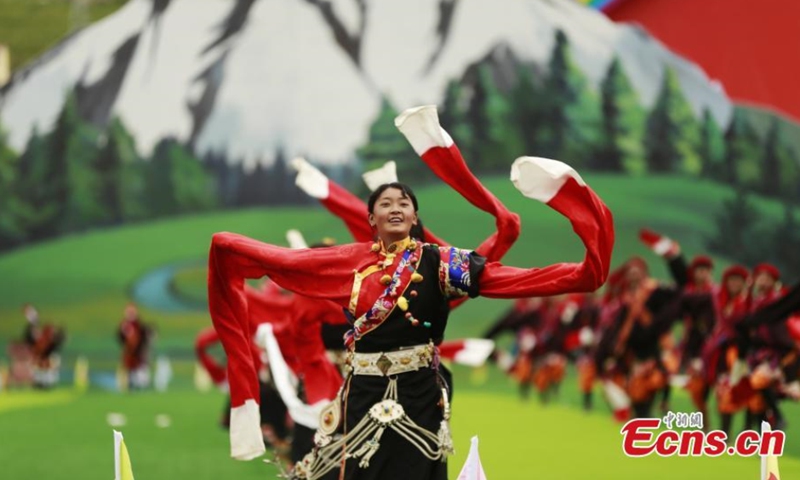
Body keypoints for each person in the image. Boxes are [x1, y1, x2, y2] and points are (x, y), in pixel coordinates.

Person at [207, 105, 614, 479]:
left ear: (415, 215)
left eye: (404, 202)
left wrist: (579, 267)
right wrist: (229, 248)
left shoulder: (440, 261)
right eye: (385, 203)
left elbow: (509, 279)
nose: (396, 207)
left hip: (420, 395)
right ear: (371, 218)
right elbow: (269, 259)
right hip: (360, 394)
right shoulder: (347, 262)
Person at [117, 303, 155, 390]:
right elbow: (120, 337)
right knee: (129, 368)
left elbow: (143, 335)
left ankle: (140, 384)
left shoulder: (138, 324)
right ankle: (130, 384)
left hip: (139, 351)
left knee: (140, 367)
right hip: (129, 351)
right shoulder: (124, 324)